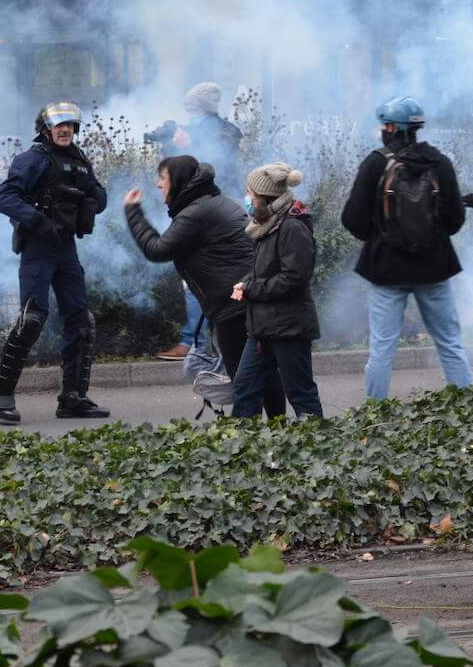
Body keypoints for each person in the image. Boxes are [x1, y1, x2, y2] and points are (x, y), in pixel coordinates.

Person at [123, 154, 285, 418]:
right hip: (246, 300)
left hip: (234, 307)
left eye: (162, 178)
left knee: (244, 378)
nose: (158, 184)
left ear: (177, 180)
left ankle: (248, 440)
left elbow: (157, 249)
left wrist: (133, 211)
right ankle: (279, 430)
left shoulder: (196, 213)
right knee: (262, 372)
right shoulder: (210, 203)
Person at [0, 102, 111, 425]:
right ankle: (1, 395)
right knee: (33, 317)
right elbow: (5, 198)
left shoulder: (79, 160)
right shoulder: (33, 159)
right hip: (39, 248)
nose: (65, 129)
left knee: (81, 319)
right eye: (59, 125)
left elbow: (99, 196)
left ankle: (73, 398)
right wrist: (39, 221)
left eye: (70, 125)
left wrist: (92, 197)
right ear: (45, 129)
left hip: (66, 248)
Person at [341, 96, 473, 399]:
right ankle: (468, 411)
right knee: (450, 344)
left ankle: (375, 416)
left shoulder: (376, 163)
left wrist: (380, 237)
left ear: (391, 127)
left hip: (387, 269)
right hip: (435, 268)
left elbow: (353, 219)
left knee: (382, 349)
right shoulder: (440, 162)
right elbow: (455, 219)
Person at [153, 82, 245, 362]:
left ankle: (195, 345)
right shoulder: (195, 131)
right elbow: (179, 170)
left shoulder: (224, 132)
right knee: (197, 278)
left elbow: (217, 165)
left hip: (216, 214)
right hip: (203, 212)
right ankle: (201, 343)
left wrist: (189, 143)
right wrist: (171, 142)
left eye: (192, 109)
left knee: (199, 276)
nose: (189, 115)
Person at [226, 163, 323, 420]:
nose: (247, 198)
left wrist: (251, 288)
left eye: (250, 193)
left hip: (288, 328)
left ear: (266, 197)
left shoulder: (292, 227)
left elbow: (293, 278)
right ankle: (241, 452)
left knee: (300, 394)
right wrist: (246, 282)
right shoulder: (267, 225)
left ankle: (322, 451)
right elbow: (265, 270)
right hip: (262, 329)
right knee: (244, 389)